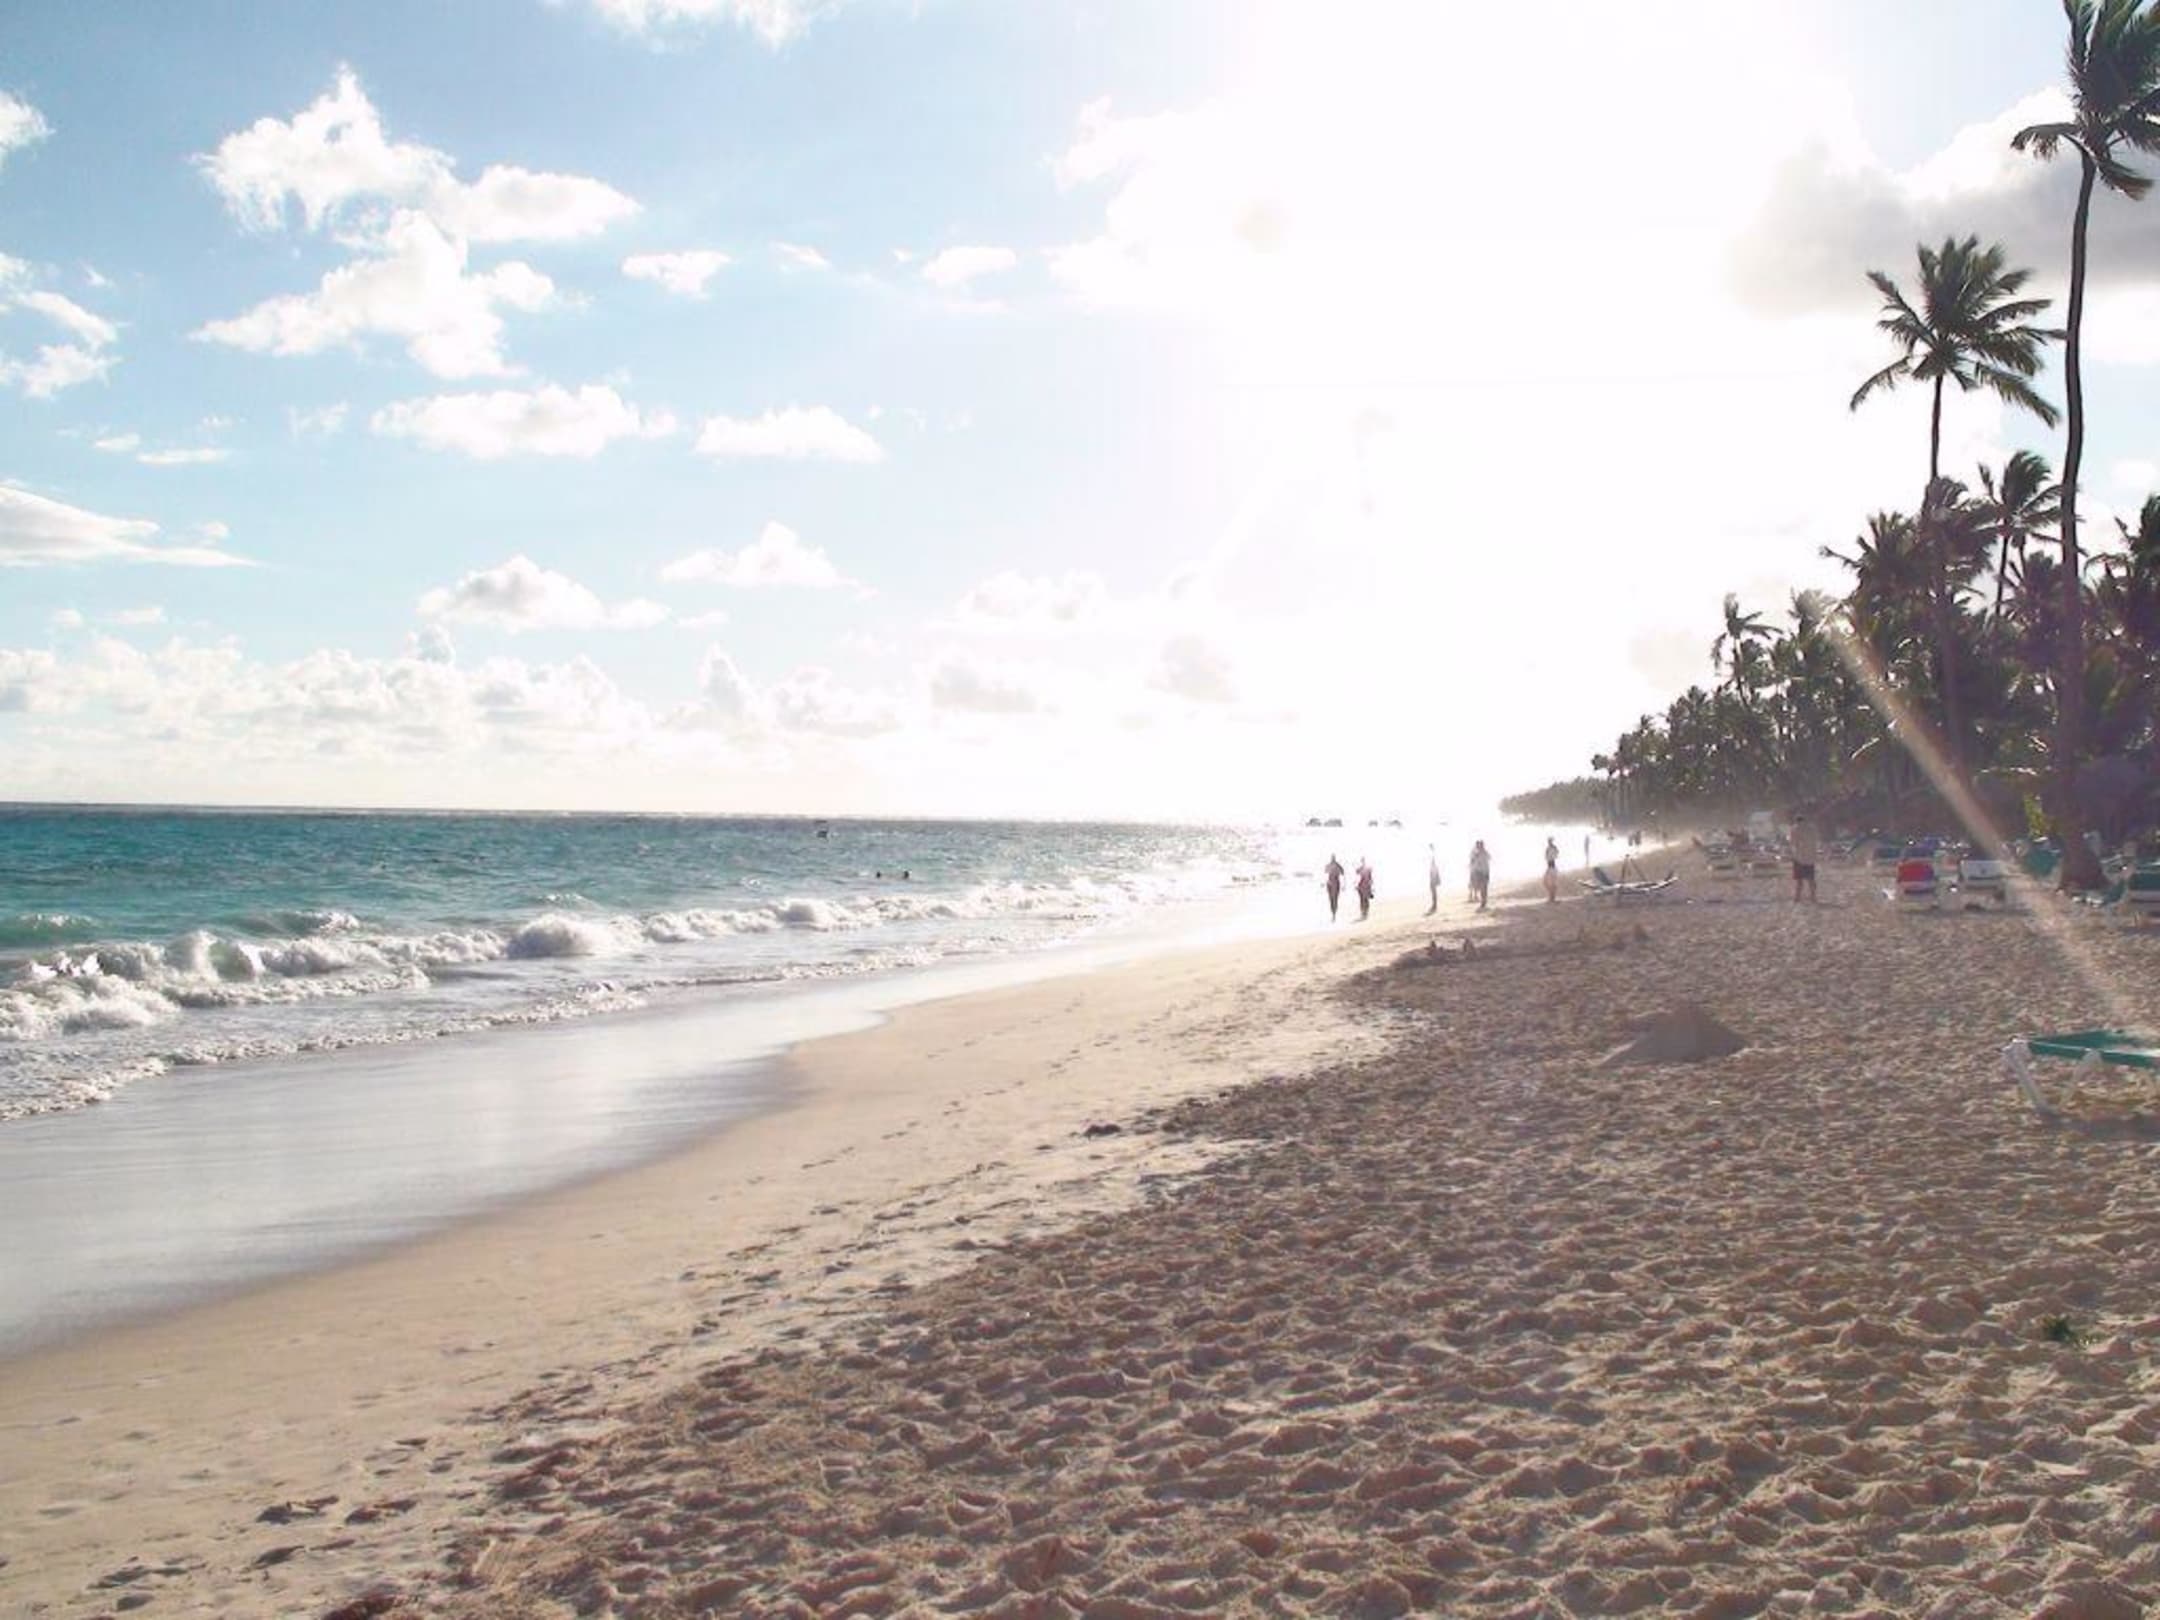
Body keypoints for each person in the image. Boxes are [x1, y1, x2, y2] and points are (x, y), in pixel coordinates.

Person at [1790, 812, 1820, 904]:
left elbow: (1793, 843)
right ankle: (1813, 897)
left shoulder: (1795, 828)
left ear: (1796, 821)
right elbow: (1815, 841)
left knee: (1799, 880)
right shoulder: (1812, 828)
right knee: (1811, 879)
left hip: (1799, 858)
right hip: (1810, 858)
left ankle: (1797, 898)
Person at [1469, 839, 1491, 911]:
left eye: (1481, 845)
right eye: (1479, 845)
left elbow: (1489, 858)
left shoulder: (1485, 852)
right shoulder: (1475, 853)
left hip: (1485, 872)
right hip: (1479, 873)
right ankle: (1482, 901)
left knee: (1484, 888)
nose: (1480, 847)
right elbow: (1472, 861)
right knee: (1481, 888)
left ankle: (1484, 901)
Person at [1324, 854, 1345, 921]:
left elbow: (1343, 873)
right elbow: (1325, 873)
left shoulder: (1337, 865)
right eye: (1332, 858)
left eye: (1333, 858)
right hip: (1330, 884)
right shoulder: (1329, 865)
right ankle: (1333, 913)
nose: (1332, 859)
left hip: (1335, 884)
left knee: (1334, 899)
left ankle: (1334, 913)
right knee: (1332, 899)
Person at [1425, 845, 1441, 916]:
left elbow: (1435, 871)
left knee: (1433, 892)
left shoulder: (1434, 863)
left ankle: (1434, 905)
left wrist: (1434, 879)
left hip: (1433, 878)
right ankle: (1434, 905)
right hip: (1433, 877)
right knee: (1433, 892)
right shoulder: (1433, 863)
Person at [1543, 837, 1560, 903]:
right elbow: (1547, 857)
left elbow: (1555, 855)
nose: (1549, 842)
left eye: (1550, 841)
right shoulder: (1549, 848)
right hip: (1550, 867)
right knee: (1547, 883)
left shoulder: (1552, 848)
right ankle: (1551, 897)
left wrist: (1552, 855)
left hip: (1552, 867)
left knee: (1552, 883)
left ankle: (1552, 898)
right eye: (1548, 841)